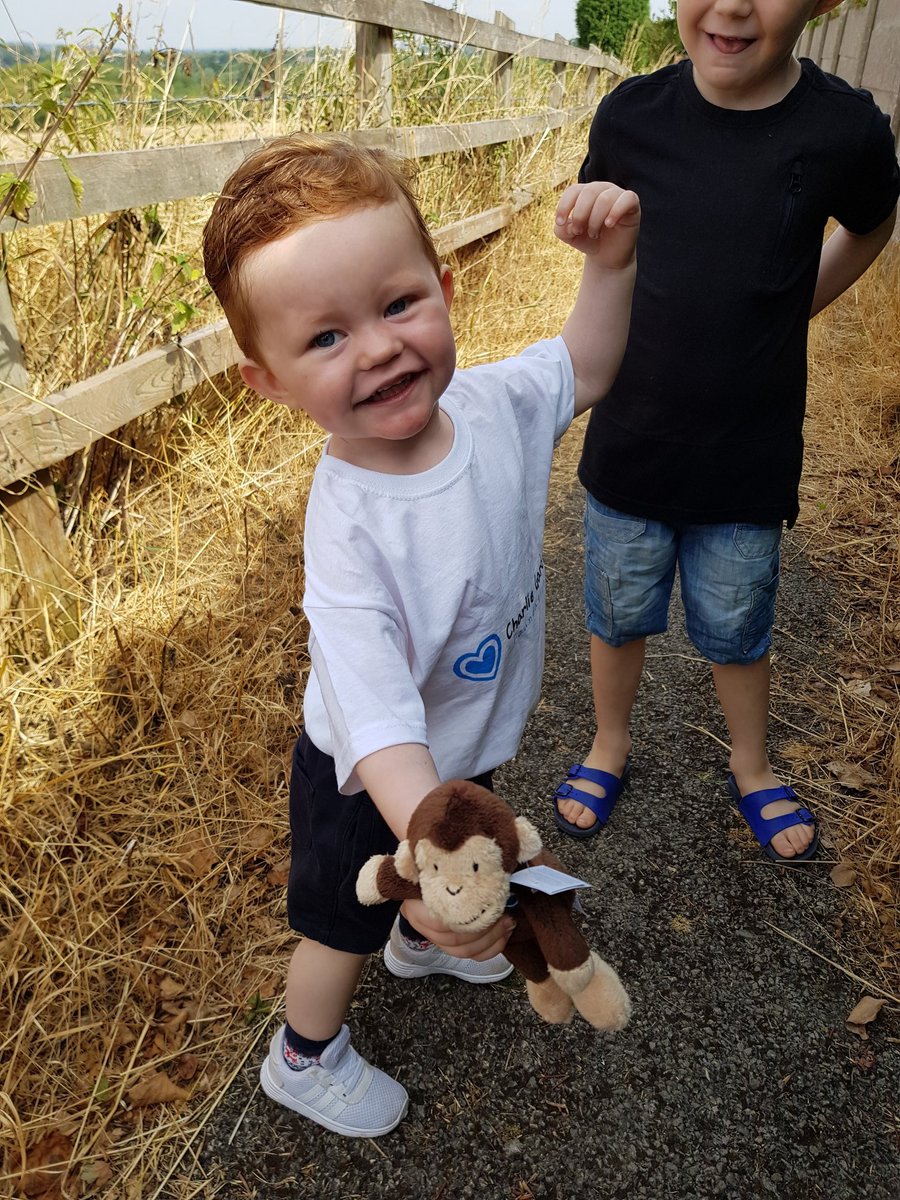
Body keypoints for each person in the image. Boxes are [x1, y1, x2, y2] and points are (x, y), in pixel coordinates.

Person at [202, 133, 640, 1137]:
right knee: (340, 924)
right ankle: (303, 1056)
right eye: (325, 337)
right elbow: (380, 721)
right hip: (373, 780)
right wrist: (438, 851)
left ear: (443, 290)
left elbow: (587, 363)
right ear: (269, 381)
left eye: (398, 304)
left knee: (432, 887)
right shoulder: (349, 528)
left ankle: (425, 942)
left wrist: (612, 264)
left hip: (466, 746)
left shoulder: (495, 405)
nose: (378, 348)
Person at [552, 0, 899, 861]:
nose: (734, 5)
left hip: (749, 454)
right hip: (631, 443)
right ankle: (609, 744)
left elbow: (872, 221)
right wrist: (588, 230)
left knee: (739, 626)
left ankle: (751, 762)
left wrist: (797, 302)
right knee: (617, 614)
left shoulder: (845, 128)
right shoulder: (630, 115)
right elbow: (605, 247)